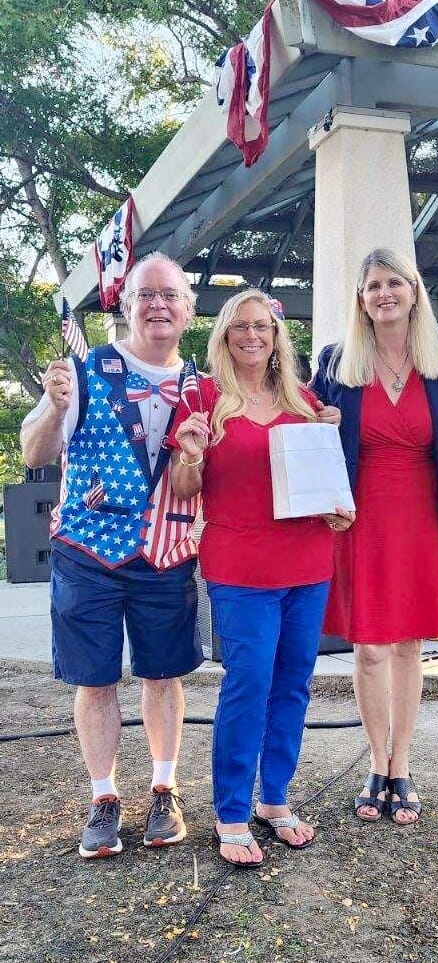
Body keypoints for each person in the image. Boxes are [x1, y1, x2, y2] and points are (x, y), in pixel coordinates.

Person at [20, 252, 204, 859]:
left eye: (170, 295)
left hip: (165, 552)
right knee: (95, 679)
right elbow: (32, 452)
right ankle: (104, 796)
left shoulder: (200, 386)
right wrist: (52, 403)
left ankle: (163, 786)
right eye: (145, 295)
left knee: (163, 674)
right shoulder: (83, 370)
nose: (158, 305)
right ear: (125, 306)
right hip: (88, 552)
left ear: (188, 309)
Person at [169, 289, 352, 867]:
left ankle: (274, 800)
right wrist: (192, 453)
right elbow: (182, 489)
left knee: (294, 683)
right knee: (247, 683)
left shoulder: (304, 400)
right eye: (239, 327)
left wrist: (330, 445)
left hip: (307, 563)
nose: (252, 336)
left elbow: (326, 487)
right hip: (239, 567)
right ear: (223, 335)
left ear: (276, 338)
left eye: (263, 327)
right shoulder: (202, 398)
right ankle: (230, 811)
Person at [312, 248, 438, 825]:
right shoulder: (335, 361)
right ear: (361, 298)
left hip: (422, 515)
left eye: (394, 283)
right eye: (373, 285)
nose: (384, 294)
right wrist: (318, 420)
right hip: (360, 517)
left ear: (414, 291)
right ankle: (376, 764)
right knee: (370, 648)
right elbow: (300, 421)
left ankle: (403, 766)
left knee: (408, 646)